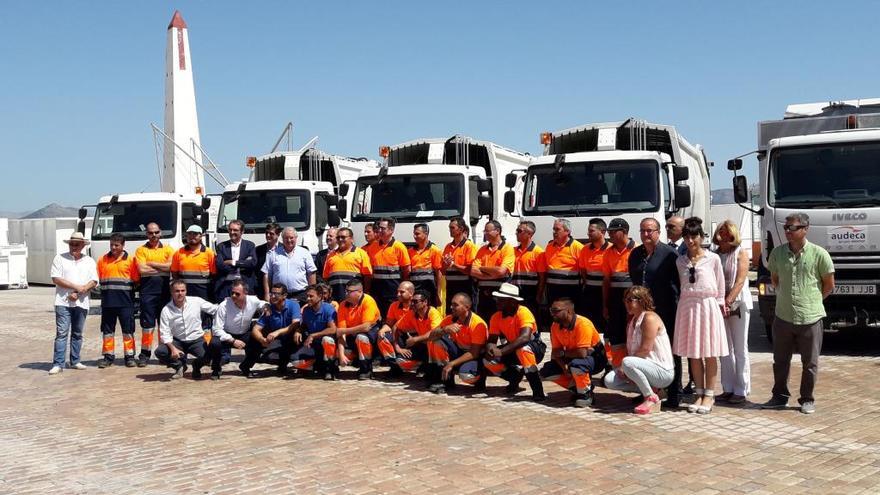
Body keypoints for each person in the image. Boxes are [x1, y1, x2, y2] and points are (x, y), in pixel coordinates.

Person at [761, 212, 834, 415]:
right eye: (786, 228)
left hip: (810, 317)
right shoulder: (777, 253)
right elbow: (775, 279)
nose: (787, 232)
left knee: (810, 363)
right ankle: (779, 397)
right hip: (783, 316)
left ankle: (807, 399)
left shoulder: (819, 254)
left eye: (792, 228)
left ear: (805, 229)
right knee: (780, 361)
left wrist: (811, 301)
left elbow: (829, 285)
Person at [673, 217, 728, 415]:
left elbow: (720, 284)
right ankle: (698, 392)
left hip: (708, 305)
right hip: (688, 306)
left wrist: (721, 304)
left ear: (701, 237)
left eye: (694, 236)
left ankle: (710, 395)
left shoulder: (712, 258)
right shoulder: (680, 261)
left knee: (709, 352)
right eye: (686, 237)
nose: (690, 241)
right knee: (693, 354)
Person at [628, 217, 683, 408]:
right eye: (642, 230)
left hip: (666, 310)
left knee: (670, 351)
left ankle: (675, 392)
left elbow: (677, 284)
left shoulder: (670, 255)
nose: (646, 234)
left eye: (650, 230)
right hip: (642, 314)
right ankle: (648, 392)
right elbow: (634, 283)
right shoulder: (635, 254)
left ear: (658, 232)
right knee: (646, 350)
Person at [604, 286, 675, 415]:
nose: (627, 303)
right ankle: (655, 391)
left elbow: (645, 349)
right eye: (625, 300)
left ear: (641, 300)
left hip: (662, 371)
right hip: (643, 367)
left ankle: (650, 397)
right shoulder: (632, 321)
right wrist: (628, 371)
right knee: (609, 380)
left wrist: (626, 367)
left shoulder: (649, 318)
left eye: (630, 300)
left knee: (627, 362)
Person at [712, 220, 753, 404]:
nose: (723, 234)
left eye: (726, 231)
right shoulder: (714, 255)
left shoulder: (740, 253)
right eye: (720, 231)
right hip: (719, 305)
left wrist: (728, 301)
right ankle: (727, 387)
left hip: (738, 304)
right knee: (724, 349)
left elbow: (740, 280)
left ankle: (742, 388)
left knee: (739, 348)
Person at [483, 283, 546, 401]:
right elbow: (491, 340)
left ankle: (538, 390)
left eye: (501, 300)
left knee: (523, 350)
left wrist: (501, 351)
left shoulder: (523, 312)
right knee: (487, 360)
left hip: (534, 348)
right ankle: (515, 377)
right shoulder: (496, 316)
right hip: (513, 347)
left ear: (512, 302)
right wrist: (491, 349)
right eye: (498, 299)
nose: (497, 302)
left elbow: (525, 338)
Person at [49, 232, 98, 375]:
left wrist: (80, 292)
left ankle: (75, 360)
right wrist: (77, 287)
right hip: (63, 301)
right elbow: (56, 278)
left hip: (81, 302)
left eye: (77, 244)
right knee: (62, 333)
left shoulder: (89, 261)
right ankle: (58, 363)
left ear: (83, 245)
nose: (74, 246)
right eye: (72, 244)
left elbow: (94, 281)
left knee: (77, 333)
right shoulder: (60, 258)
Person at [540, 297, 603, 408]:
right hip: (572, 355)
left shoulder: (583, 324)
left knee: (577, 364)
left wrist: (563, 353)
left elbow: (582, 353)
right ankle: (579, 388)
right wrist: (563, 367)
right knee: (548, 370)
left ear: (568, 311)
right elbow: (555, 352)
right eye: (551, 311)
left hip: (595, 358)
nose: (552, 314)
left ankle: (585, 394)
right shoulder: (555, 326)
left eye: (556, 311)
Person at [425, 292, 489, 394]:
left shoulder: (477, 324)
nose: (451, 307)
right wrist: (444, 330)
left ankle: (480, 378)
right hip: (459, 352)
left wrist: (452, 364)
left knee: (467, 376)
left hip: (474, 357)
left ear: (467, 307)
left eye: (456, 305)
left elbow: (474, 353)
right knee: (436, 341)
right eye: (451, 304)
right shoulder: (450, 319)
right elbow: (431, 336)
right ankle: (445, 381)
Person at [155, 280, 218, 380]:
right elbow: (164, 333)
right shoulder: (166, 310)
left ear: (186, 291)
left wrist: (230, 305)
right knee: (160, 351)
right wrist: (173, 349)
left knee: (209, 356)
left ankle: (196, 366)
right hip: (178, 341)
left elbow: (215, 309)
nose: (180, 293)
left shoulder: (196, 301)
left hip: (196, 340)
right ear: (171, 292)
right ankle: (179, 366)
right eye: (177, 291)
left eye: (182, 290)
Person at [208, 280, 268, 380]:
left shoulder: (253, 300)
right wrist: (233, 340)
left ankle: (245, 366)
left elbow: (262, 303)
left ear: (246, 293)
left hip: (244, 333)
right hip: (226, 334)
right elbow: (216, 329)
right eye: (232, 293)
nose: (234, 296)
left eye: (237, 294)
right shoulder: (224, 305)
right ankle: (216, 369)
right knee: (215, 343)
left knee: (259, 342)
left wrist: (267, 307)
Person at [239, 282, 302, 378]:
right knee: (253, 338)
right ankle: (245, 366)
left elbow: (295, 324)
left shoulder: (294, 305)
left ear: (284, 296)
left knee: (298, 336)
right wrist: (262, 340)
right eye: (271, 293)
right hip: (277, 340)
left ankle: (298, 366)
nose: (272, 296)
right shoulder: (269, 309)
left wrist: (277, 332)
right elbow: (256, 329)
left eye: (276, 294)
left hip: (290, 337)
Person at [96, 233, 140, 368]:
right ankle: (108, 356)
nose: (113, 248)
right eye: (111, 245)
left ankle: (130, 356)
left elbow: (137, 281)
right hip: (108, 303)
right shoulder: (102, 260)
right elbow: (97, 279)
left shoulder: (131, 260)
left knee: (128, 331)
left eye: (116, 245)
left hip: (126, 303)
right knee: (107, 331)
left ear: (123, 245)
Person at [134, 222, 174, 367]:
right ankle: (145, 354)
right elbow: (142, 270)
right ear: (147, 234)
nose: (154, 235)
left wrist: (151, 263)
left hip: (164, 292)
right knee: (147, 326)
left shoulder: (168, 249)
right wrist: (162, 268)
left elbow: (171, 267)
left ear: (160, 232)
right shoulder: (140, 250)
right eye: (150, 233)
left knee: (164, 325)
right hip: (147, 293)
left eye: (156, 232)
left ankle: (163, 353)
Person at [602, 218, 635, 365]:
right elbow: (606, 281)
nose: (611, 235)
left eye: (614, 232)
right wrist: (605, 305)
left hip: (633, 300)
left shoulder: (637, 251)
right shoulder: (608, 253)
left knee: (632, 333)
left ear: (625, 232)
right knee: (615, 335)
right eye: (609, 232)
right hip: (615, 301)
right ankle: (616, 366)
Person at [335, 278, 383, 380]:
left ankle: (366, 370)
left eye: (350, 291)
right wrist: (342, 355)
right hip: (353, 335)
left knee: (362, 337)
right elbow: (340, 333)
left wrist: (345, 331)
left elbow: (366, 327)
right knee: (335, 348)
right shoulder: (343, 305)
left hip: (372, 334)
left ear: (360, 292)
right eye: (346, 291)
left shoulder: (368, 301)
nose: (346, 293)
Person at [387, 289, 443, 376]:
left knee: (433, 343)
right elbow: (395, 327)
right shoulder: (412, 313)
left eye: (415, 301)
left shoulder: (433, 313)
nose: (412, 304)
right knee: (400, 361)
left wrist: (415, 339)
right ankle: (421, 365)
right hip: (421, 345)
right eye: (412, 301)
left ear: (425, 302)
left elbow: (435, 333)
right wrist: (397, 347)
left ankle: (429, 368)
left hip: (434, 346)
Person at [289, 284, 339, 379]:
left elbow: (333, 329)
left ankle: (330, 368)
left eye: (311, 296)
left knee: (327, 339)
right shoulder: (307, 310)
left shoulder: (329, 308)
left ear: (320, 296)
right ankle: (316, 366)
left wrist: (313, 335)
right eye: (307, 296)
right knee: (295, 360)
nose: (308, 299)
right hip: (313, 345)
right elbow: (304, 325)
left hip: (326, 344)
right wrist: (298, 330)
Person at [364, 217, 411, 316]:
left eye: (383, 228)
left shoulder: (399, 247)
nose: (379, 231)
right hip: (377, 290)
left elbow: (406, 270)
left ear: (391, 230)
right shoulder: (373, 247)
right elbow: (370, 270)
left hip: (393, 291)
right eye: (379, 228)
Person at [471, 220, 514, 319]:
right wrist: (493, 274)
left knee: (500, 322)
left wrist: (482, 268)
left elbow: (501, 271)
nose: (485, 234)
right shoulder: (482, 250)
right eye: (484, 231)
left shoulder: (507, 248)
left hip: (500, 296)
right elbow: (473, 271)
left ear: (497, 231)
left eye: (487, 231)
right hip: (483, 296)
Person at [262, 227, 317, 303]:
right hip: (278, 295)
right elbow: (267, 275)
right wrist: (267, 294)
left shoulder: (305, 253)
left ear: (296, 238)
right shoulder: (273, 254)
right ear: (282, 238)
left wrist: (312, 293)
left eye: (291, 238)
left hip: (300, 295)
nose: (289, 240)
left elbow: (311, 273)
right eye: (286, 238)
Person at [510, 221, 546, 325]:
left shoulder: (538, 252)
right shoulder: (513, 251)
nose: (516, 233)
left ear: (529, 234)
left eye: (519, 231)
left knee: (531, 317)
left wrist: (539, 294)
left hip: (530, 292)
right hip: (515, 291)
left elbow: (542, 276)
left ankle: (535, 338)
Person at [323, 227, 373, 302]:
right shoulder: (330, 255)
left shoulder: (361, 253)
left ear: (351, 239)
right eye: (338, 237)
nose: (340, 239)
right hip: (335, 297)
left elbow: (367, 276)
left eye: (343, 237)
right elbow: (326, 278)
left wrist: (364, 293)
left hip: (355, 298)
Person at [543, 219, 583, 310]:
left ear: (567, 231)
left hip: (570, 292)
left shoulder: (578, 247)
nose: (554, 232)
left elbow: (583, 271)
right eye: (553, 229)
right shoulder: (549, 246)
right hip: (552, 291)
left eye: (557, 229)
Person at [214, 219, 258, 300]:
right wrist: (242, 264)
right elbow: (220, 265)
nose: (232, 232)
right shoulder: (221, 246)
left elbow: (252, 263)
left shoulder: (249, 245)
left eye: (235, 230)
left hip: (244, 284)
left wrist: (233, 262)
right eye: (230, 230)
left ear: (242, 232)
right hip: (226, 285)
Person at [578, 218, 609, 332]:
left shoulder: (610, 249)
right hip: (590, 292)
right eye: (588, 231)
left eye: (591, 231)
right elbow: (583, 270)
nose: (588, 233)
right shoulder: (585, 249)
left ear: (602, 232)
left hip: (606, 292)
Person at [171, 225, 216, 302]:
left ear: (201, 236)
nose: (192, 236)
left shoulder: (209, 253)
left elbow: (214, 274)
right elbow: (174, 274)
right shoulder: (178, 253)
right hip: (185, 292)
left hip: (204, 292)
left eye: (195, 234)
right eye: (189, 234)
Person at [442, 216, 477, 313]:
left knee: (465, 314)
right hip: (450, 287)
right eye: (449, 228)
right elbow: (443, 270)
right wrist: (445, 264)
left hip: (465, 287)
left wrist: (453, 264)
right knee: (451, 314)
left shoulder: (469, 246)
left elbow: (470, 270)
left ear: (461, 229)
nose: (450, 230)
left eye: (452, 228)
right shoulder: (448, 246)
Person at [409, 223, 443, 307]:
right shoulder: (410, 251)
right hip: (415, 289)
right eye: (414, 234)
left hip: (429, 289)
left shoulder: (435, 250)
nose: (415, 236)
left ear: (426, 234)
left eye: (417, 234)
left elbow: (438, 273)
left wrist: (438, 293)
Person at [254, 222, 281, 299]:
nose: (268, 235)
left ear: (278, 235)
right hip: (261, 289)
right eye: (266, 233)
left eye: (271, 234)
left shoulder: (283, 249)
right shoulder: (258, 250)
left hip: (278, 288)